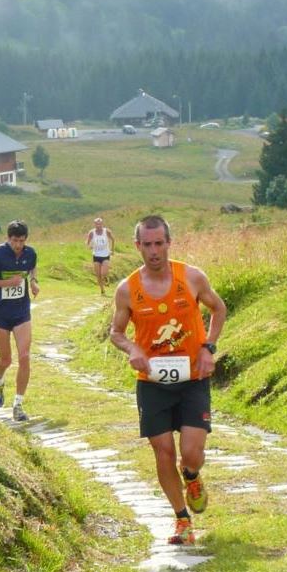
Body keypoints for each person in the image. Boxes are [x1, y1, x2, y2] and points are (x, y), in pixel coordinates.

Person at [110, 215, 226, 545]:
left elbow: (219, 309)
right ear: (137, 247)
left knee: (190, 453)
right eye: (147, 245)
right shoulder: (127, 289)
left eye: (159, 243)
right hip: (152, 383)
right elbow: (116, 332)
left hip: (192, 378)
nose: (154, 251)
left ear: (168, 243)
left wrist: (208, 347)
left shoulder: (190, 277)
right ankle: (182, 521)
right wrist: (132, 348)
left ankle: (191, 476)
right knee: (162, 452)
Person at [0, 220, 40, 421]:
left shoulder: (30, 254)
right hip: (0, 314)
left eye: (21, 241)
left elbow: (32, 269)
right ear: (8, 238)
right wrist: (7, 283)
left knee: (25, 356)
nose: (18, 245)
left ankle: (18, 405)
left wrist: (34, 283)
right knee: (6, 360)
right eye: (14, 240)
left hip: (21, 312)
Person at [86, 217, 115, 294]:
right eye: (97, 224)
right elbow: (87, 242)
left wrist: (112, 250)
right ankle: (102, 290)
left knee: (103, 273)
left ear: (102, 224)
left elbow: (113, 239)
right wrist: (90, 246)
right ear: (94, 224)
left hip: (105, 254)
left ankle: (106, 277)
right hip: (96, 255)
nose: (98, 225)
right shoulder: (91, 232)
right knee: (98, 274)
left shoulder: (107, 231)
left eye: (100, 224)